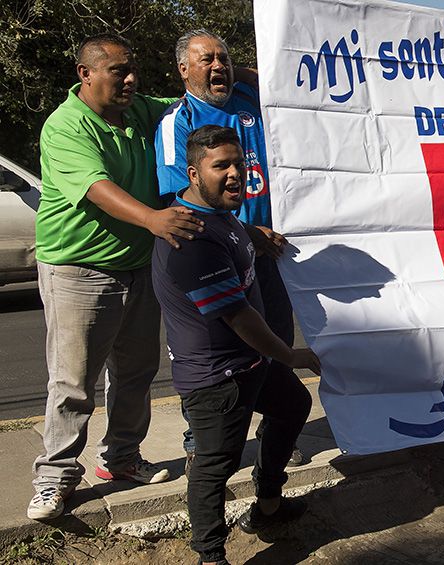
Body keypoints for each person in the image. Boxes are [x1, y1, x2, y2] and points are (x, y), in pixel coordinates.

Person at [28, 33, 204, 521]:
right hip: (78, 267)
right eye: (117, 72)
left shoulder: (142, 110)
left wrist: (240, 74)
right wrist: (153, 219)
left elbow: (199, 100)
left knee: (136, 372)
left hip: (138, 264)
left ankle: (122, 460)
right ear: (85, 75)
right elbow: (97, 188)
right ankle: (55, 479)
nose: (129, 80)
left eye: (133, 71)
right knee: (74, 382)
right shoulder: (65, 127)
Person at [153, 125, 319, 564]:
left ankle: (267, 507)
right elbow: (238, 315)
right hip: (216, 378)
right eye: (220, 166)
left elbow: (233, 237)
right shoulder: (189, 239)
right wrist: (291, 355)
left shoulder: (221, 217)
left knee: (293, 407)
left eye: (239, 165)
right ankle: (210, 555)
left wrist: (252, 234)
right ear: (192, 173)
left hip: (250, 363)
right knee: (214, 466)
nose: (234, 175)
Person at [155, 29, 304, 473]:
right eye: (206, 60)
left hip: (267, 254)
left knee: (273, 338)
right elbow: (177, 200)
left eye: (224, 58)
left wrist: (250, 72)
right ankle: (199, 439)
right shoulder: (175, 121)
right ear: (184, 69)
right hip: (216, 253)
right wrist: (245, 232)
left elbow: (285, 83)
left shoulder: (247, 97)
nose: (218, 66)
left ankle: (275, 431)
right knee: (216, 348)